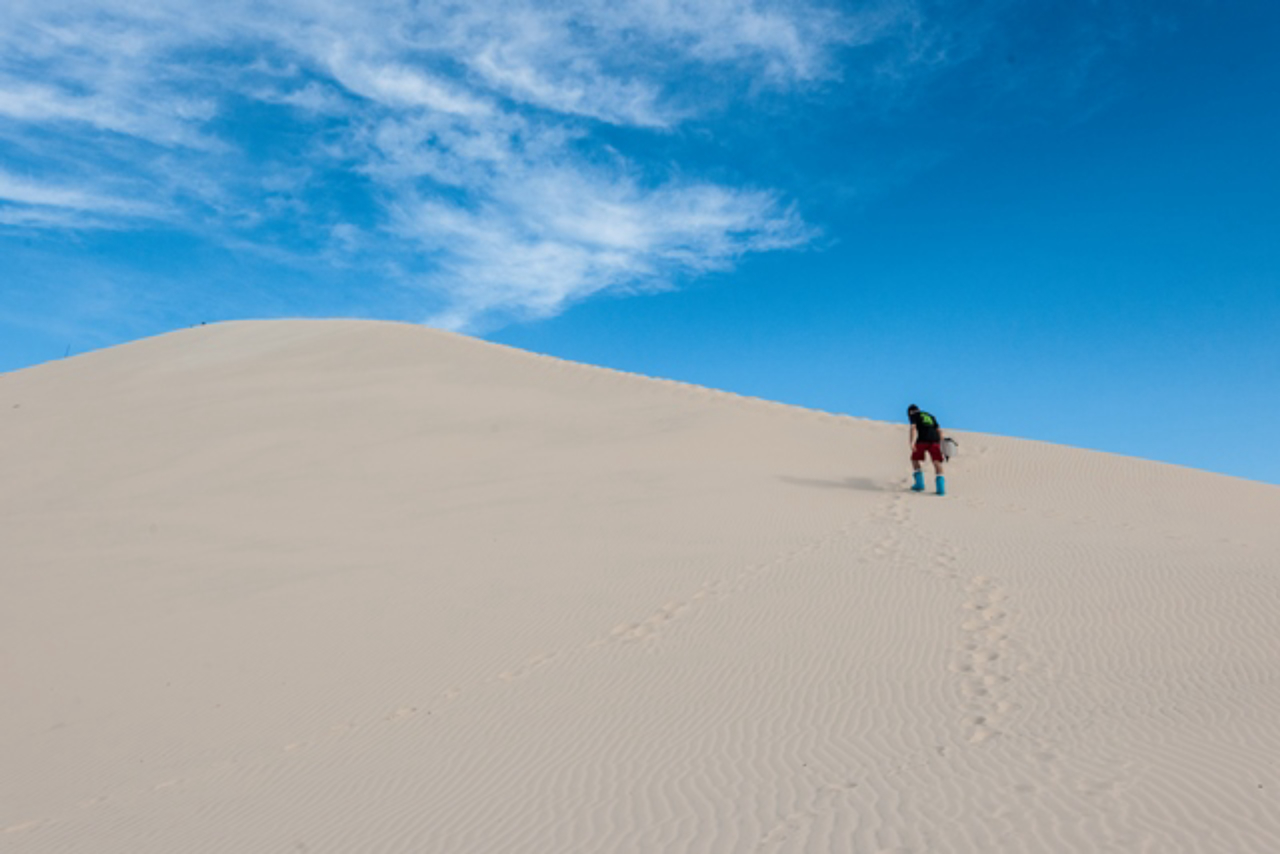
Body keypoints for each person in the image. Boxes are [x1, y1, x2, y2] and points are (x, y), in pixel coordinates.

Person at [907, 404, 946, 495]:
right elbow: (939, 430)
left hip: (922, 440)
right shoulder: (931, 416)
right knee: (937, 462)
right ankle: (941, 489)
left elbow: (913, 428)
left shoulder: (914, 415)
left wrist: (912, 442)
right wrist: (942, 442)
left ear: (910, 412)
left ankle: (919, 484)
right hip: (935, 441)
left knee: (914, 459)